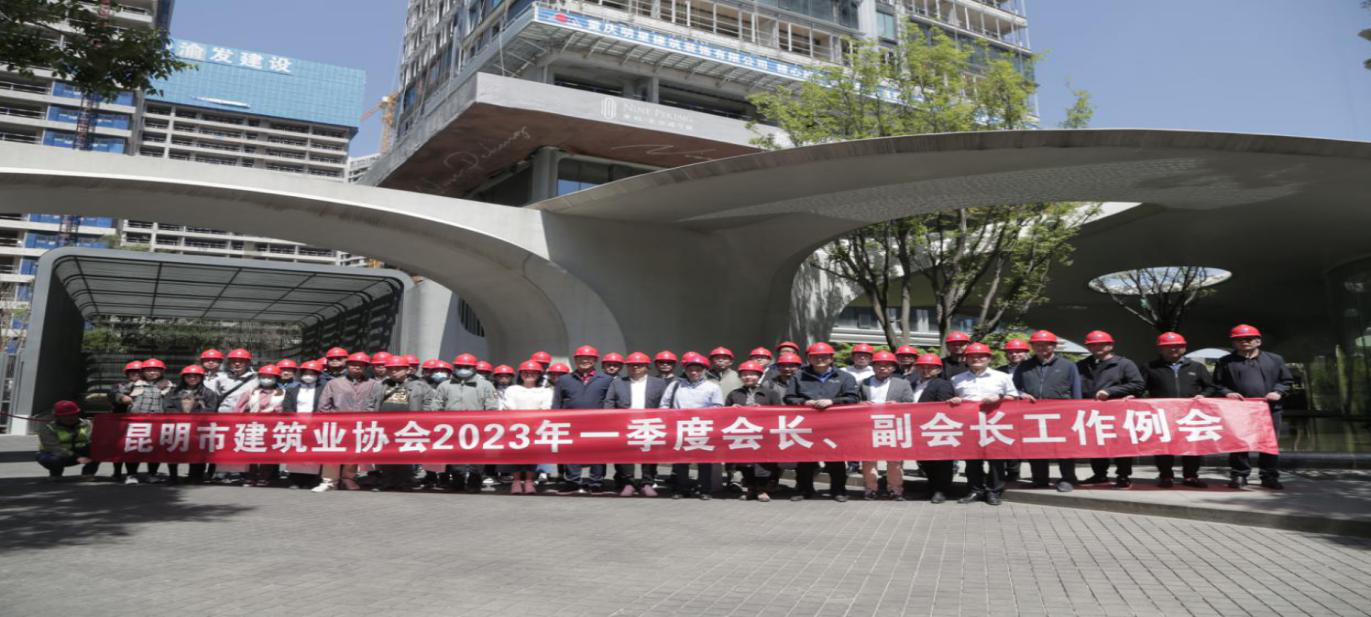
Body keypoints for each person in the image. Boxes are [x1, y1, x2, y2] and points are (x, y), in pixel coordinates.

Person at [1214, 324, 1293, 490]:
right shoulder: (1225, 361)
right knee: (1239, 442)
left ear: (1258, 341)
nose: (1244, 342)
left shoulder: (1275, 359)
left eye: (1248, 339)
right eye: (1238, 339)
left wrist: (1278, 392)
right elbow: (1217, 384)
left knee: (1269, 443)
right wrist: (1227, 393)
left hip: (1269, 408)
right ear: (1233, 342)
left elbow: (1286, 381)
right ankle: (1239, 475)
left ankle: (1269, 476)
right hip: (1239, 409)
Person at [784, 342, 860, 502]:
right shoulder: (799, 376)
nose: (820, 359)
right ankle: (804, 490)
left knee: (836, 459)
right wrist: (804, 402)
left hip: (835, 426)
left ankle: (838, 491)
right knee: (805, 460)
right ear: (809, 358)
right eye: (815, 356)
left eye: (824, 356)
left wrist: (833, 401)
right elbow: (789, 398)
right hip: (806, 425)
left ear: (831, 358)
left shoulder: (844, 377)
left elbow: (853, 398)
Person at [1140, 332, 1215, 488]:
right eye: (1168, 347)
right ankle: (1166, 476)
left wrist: (1203, 395)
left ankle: (1191, 476)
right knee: (1164, 446)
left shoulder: (1197, 367)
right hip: (1162, 414)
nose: (1173, 349)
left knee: (1192, 445)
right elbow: (1140, 387)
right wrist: (1132, 396)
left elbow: (1211, 387)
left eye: (1177, 346)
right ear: (1160, 349)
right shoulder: (1150, 367)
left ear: (1184, 348)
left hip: (1191, 415)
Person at [1012, 330, 1083, 492]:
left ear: (1054, 346)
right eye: (1037, 344)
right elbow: (1014, 388)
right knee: (1036, 447)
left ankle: (1068, 478)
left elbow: (1076, 390)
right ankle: (1040, 479)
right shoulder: (1024, 366)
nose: (1041, 347)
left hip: (1062, 415)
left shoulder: (1068, 366)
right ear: (1032, 346)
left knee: (1064, 448)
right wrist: (1021, 394)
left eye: (1046, 344)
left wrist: (1077, 411)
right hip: (1032, 414)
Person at [950, 343, 1018, 506]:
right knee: (972, 460)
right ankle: (975, 490)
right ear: (966, 359)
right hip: (969, 425)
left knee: (996, 460)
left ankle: (994, 492)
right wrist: (955, 400)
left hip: (995, 424)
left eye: (981, 356)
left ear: (989, 359)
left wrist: (999, 398)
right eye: (972, 357)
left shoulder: (1002, 377)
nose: (976, 359)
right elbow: (952, 399)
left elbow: (1014, 397)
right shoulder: (956, 379)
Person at [1076, 330, 1146, 487]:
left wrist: (1110, 391)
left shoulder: (1124, 364)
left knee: (1121, 444)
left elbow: (1138, 384)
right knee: (1096, 444)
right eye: (1092, 345)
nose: (1097, 347)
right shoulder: (1082, 365)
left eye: (1101, 344)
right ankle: (1099, 475)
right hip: (1092, 413)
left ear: (1110, 345)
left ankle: (1123, 475)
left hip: (1118, 413)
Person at [429, 353, 499, 492]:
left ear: (474, 368)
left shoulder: (485, 385)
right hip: (452, 427)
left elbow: (492, 407)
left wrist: (488, 424)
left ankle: (475, 482)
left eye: (467, 367)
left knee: (477, 456)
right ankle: (458, 481)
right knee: (455, 455)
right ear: (454, 367)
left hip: (477, 427)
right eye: (460, 366)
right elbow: (437, 405)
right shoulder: (445, 385)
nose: (463, 369)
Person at [661, 352, 725, 500]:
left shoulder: (712, 387)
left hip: (703, 428)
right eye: (690, 369)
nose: (694, 372)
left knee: (704, 461)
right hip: (680, 428)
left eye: (698, 370)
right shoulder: (676, 385)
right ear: (685, 370)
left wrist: (701, 414)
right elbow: (664, 404)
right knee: (681, 461)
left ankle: (704, 490)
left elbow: (718, 407)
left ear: (704, 371)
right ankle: (681, 489)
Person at [314, 352, 380, 492]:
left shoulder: (373, 384)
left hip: (361, 425)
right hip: (337, 424)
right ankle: (329, 481)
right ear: (347, 365)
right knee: (332, 453)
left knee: (353, 453)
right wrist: (329, 420)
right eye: (353, 365)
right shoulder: (334, 383)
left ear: (366, 368)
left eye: (361, 365)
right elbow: (324, 405)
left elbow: (375, 404)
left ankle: (348, 479)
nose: (357, 367)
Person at [553, 345, 614, 494]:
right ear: (575, 360)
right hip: (570, 424)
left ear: (595, 360)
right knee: (571, 452)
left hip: (598, 424)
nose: (585, 361)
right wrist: (555, 420)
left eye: (589, 358)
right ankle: (572, 482)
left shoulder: (606, 380)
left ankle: (596, 482)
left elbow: (610, 401)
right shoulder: (564, 380)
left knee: (598, 453)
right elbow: (557, 402)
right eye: (581, 358)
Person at [604, 352, 667, 497]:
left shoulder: (658, 383)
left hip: (650, 423)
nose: (635, 368)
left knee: (650, 454)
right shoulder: (618, 382)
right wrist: (612, 420)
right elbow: (609, 402)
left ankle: (647, 483)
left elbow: (664, 403)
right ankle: (629, 483)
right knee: (625, 454)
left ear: (647, 367)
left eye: (639, 365)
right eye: (632, 365)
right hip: (625, 424)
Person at [858, 350, 915, 500]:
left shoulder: (902, 383)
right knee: (868, 459)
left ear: (893, 368)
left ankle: (895, 489)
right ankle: (870, 488)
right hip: (869, 426)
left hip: (893, 426)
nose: (882, 368)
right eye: (878, 365)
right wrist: (861, 403)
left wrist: (898, 404)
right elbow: (855, 401)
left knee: (894, 460)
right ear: (873, 367)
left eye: (887, 365)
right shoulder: (864, 383)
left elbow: (910, 402)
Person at [725, 360, 782, 502]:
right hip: (743, 434)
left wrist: (764, 410)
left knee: (763, 463)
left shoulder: (770, 393)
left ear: (759, 376)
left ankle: (762, 489)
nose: (748, 377)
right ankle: (750, 488)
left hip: (764, 434)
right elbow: (724, 415)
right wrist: (731, 410)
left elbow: (779, 412)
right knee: (744, 463)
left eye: (752, 374)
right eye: (744, 375)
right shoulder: (734, 394)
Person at [371, 357, 431, 491]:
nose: (393, 372)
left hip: (408, 427)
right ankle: (387, 481)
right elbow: (371, 403)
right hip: (385, 427)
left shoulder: (419, 386)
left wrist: (423, 420)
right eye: (390, 369)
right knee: (386, 455)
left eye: (397, 369)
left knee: (405, 454)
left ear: (407, 370)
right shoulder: (381, 385)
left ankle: (405, 482)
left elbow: (429, 404)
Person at [909, 354, 957, 503]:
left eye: (930, 368)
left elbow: (943, 407)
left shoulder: (943, 384)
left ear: (938, 370)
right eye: (922, 367)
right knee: (925, 461)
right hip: (916, 427)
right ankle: (931, 488)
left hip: (936, 427)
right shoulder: (912, 384)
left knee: (941, 461)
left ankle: (941, 490)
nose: (925, 370)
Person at [503, 361, 554, 494]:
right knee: (515, 455)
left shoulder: (545, 391)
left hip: (536, 428)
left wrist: (531, 421)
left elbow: (545, 408)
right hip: (514, 428)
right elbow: (509, 407)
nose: (529, 375)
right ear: (520, 374)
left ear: (539, 375)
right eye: (526, 372)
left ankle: (529, 481)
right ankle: (516, 481)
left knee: (533, 455)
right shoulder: (512, 389)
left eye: (533, 373)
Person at [233, 364, 288, 486]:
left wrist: (276, 411)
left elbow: (287, 410)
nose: (267, 379)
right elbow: (239, 408)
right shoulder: (251, 392)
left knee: (269, 453)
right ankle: (251, 476)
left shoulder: (283, 393)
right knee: (251, 452)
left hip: (272, 427)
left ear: (276, 378)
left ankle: (264, 477)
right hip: (253, 426)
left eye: (270, 377)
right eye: (264, 376)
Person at [165, 364, 219, 484]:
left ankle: (195, 476)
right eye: (189, 376)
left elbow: (211, 409)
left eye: (196, 376)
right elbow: (167, 407)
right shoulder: (174, 392)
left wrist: (194, 414)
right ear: (183, 378)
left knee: (197, 452)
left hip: (198, 428)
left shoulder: (208, 393)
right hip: (178, 427)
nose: (192, 378)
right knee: (174, 451)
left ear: (201, 378)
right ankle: (173, 476)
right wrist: (180, 415)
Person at [127, 358, 174, 483]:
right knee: (133, 448)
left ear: (162, 371)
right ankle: (131, 475)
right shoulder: (134, 384)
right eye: (149, 370)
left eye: (156, 370)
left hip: (158, 422)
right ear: (143, 371)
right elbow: (116, 392)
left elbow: (173, 401)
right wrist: (120, 397)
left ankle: (152, 474)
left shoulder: (168, 385)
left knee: (155, 449)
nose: (152, 372)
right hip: (136, 421)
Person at [283, 360, 326, 489]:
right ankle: (295, 479)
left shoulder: (323, 389)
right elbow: (287, 407)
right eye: (306, 373)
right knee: (296, 453)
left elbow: (324, 406)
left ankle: (311, 480)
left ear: (318, 375)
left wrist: (314, 421)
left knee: (312, 454)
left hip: (315, 425)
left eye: (312, 373)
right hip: (296, 425)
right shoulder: (292, 390)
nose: (308, 376)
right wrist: (296, 420)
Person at [36, 401, 98, 481]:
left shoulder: (87, 424)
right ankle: (56, 474)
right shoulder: (49, 428)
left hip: (80, 452)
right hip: (55, 454)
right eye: (65, 416)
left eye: (73, 414)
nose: (70, 418)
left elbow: (95, 440)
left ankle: (88, 473)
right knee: (52, 460)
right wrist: (77, 457)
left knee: (99, 451)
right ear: (57, 417)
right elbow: (54, 448)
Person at [997, 338, 1032, 482]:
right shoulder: (999, 371)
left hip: (1027, 411)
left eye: (1018, 352)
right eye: (1010, 352)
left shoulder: (1033, 369)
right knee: (1004, 440)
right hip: (1004, 411)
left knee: (1021, 442)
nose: (1014, 354)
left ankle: (1015, 472)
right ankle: (1005, 472)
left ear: (1026, 352)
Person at [106, 360, 142, 482]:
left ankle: (132, 473)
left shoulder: (147, 387)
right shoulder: (119, 385)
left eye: (138, 372)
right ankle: (117, 472)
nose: (135, 374)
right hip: (120, 421)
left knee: (133, 449)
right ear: (127, 374)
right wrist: (121, 397)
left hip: (138, 423)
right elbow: (112, 394)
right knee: (118, 448)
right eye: (132, 372)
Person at [210, 348, 257, 413]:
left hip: (244, 416)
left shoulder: (255, 379)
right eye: (233, 361)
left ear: (248, 363)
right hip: (223, 415)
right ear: (229, 363)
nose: (237, 364)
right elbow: (215, 398)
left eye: (241, 361)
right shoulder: (221, 378)